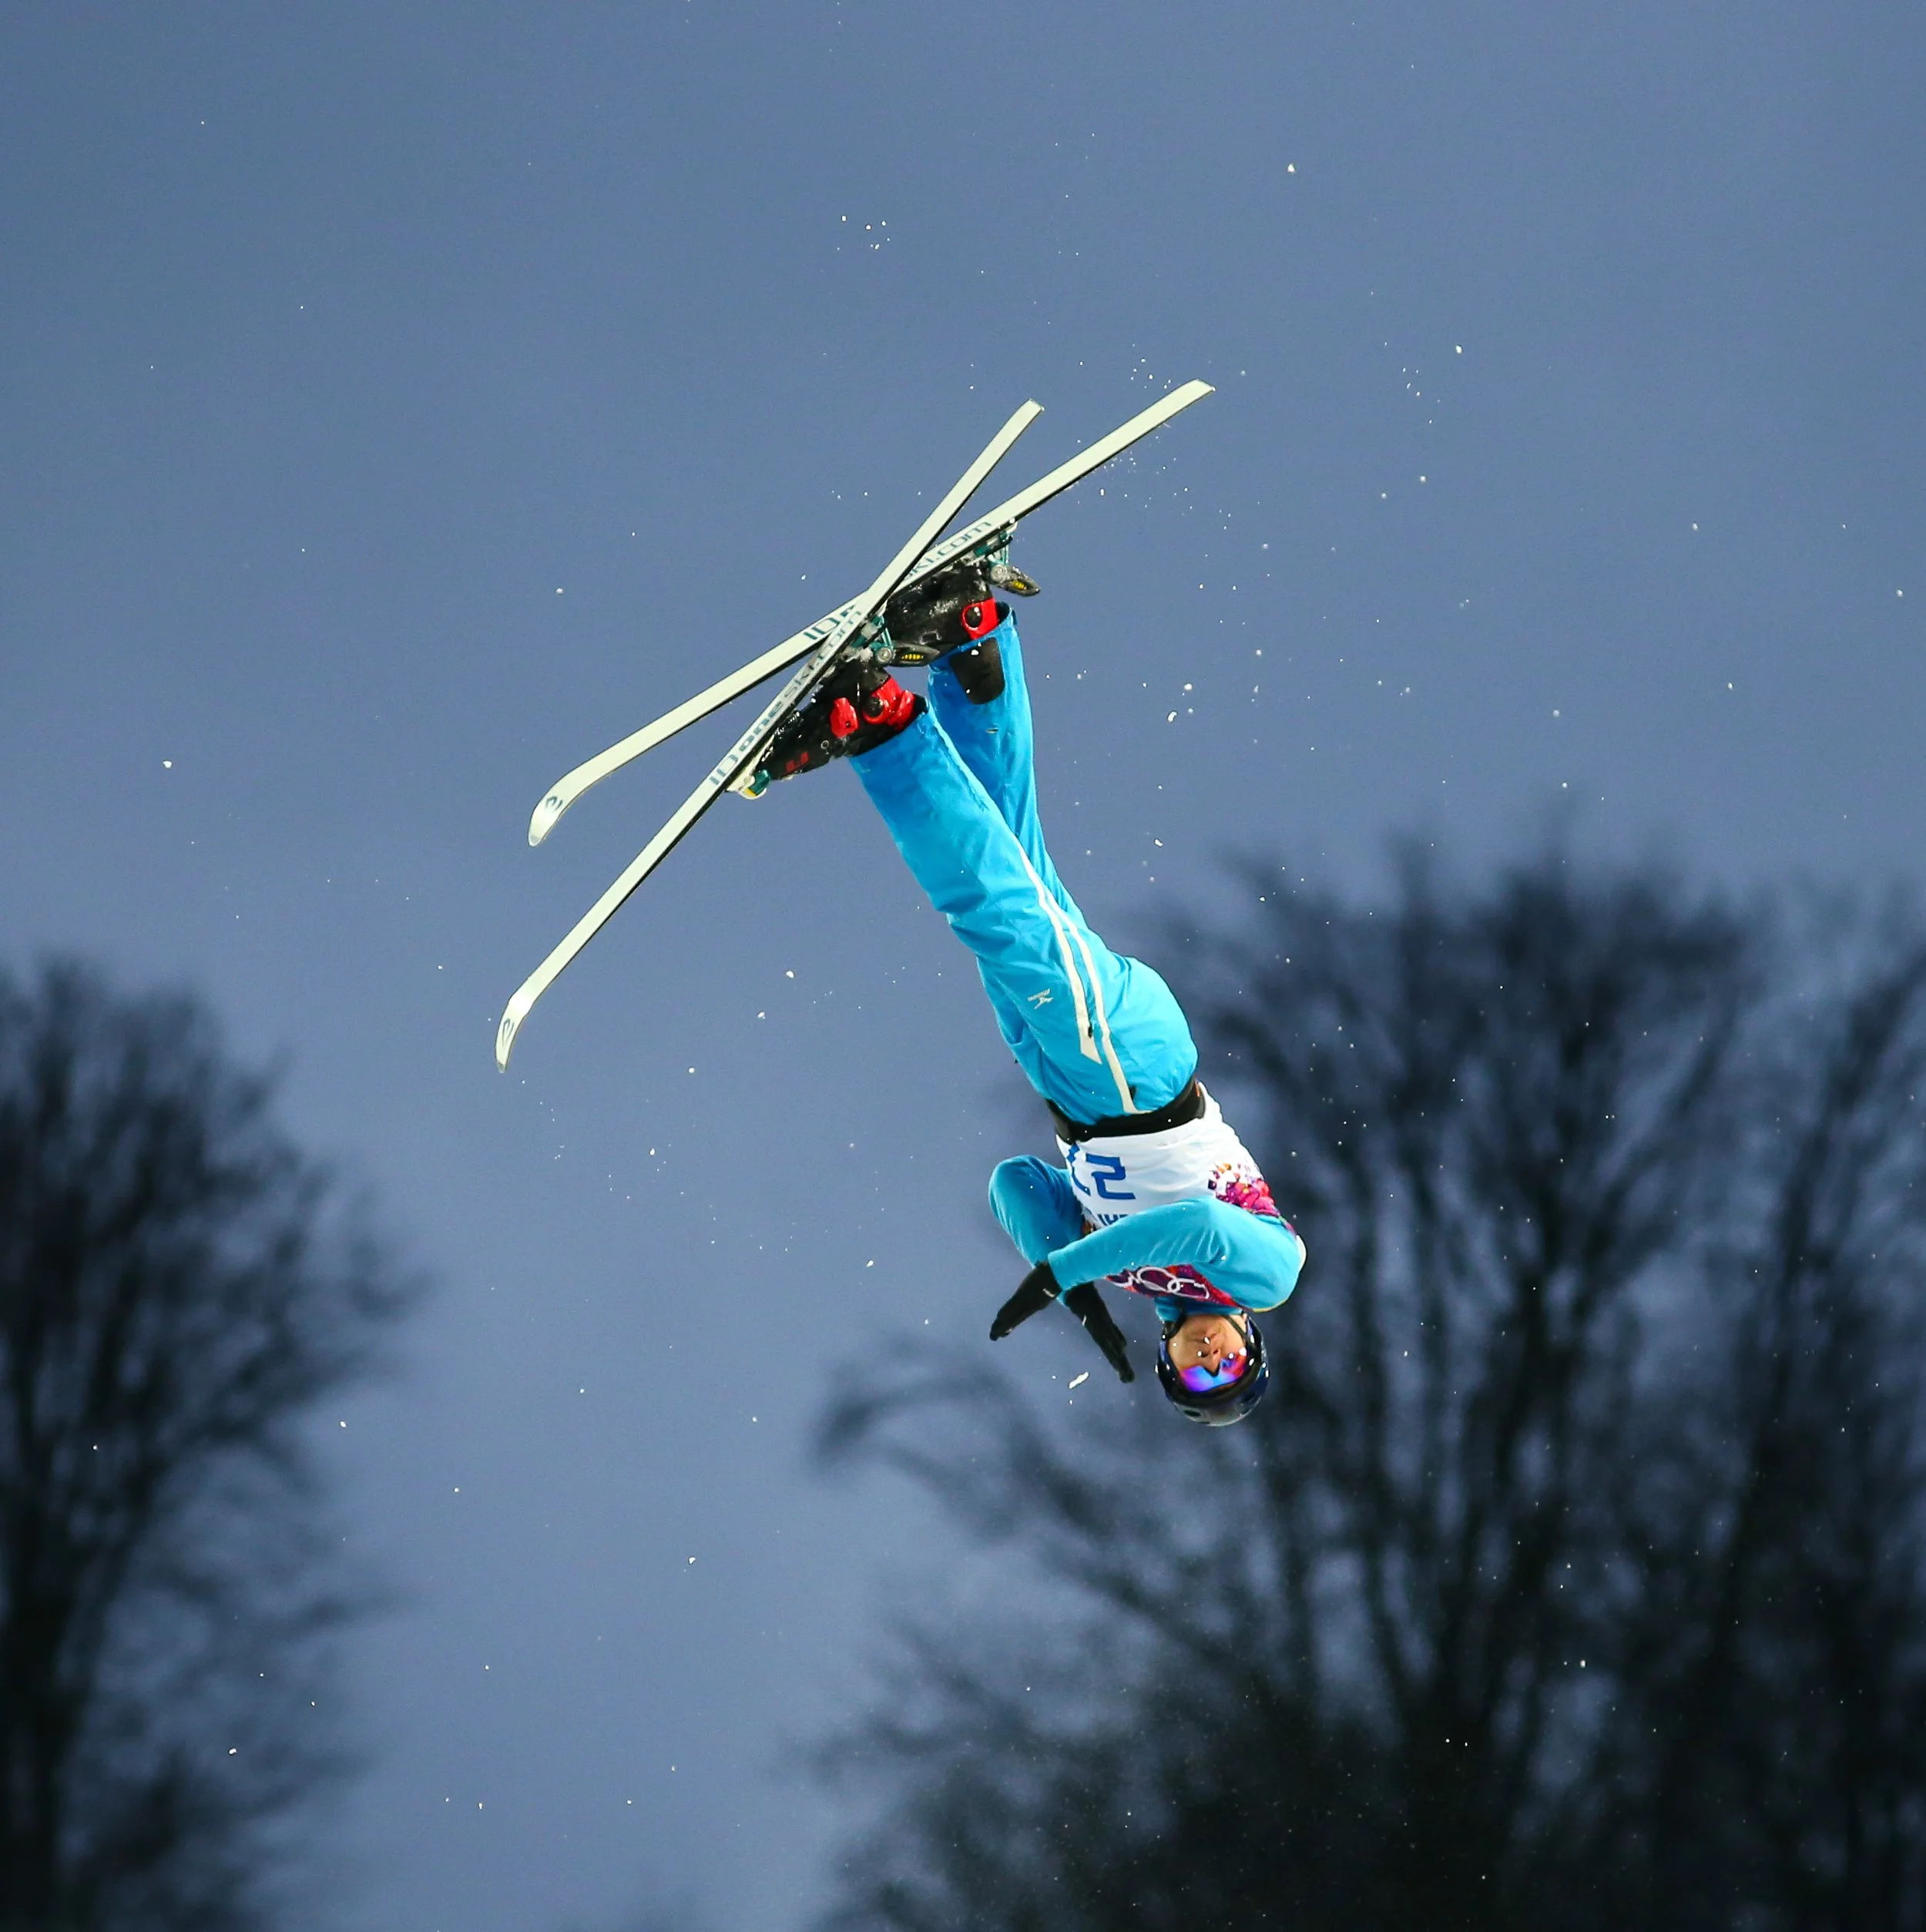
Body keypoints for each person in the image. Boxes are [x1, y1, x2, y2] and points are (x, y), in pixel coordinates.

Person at [750, 572, 1306, 1424]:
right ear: (1249, 1340)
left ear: (1164, 1360)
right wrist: (1062, 1276)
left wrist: (1071, 1271)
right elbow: (1198, 1228)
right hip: (1136, 1075)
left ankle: (970, 640)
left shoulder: (1125, 1272)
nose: (1211, 1361)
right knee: (991, 910)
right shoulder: (1266, 1278)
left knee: (1012, 862)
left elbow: (1015, 1183)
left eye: (1194, 1379)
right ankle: (875, 724)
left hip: (1065, 1080)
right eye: (1230, 1367)